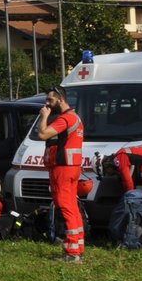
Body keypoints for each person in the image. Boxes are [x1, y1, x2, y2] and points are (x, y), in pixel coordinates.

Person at [35, 86, 86, 263]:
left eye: (50, 100)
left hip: (62, 169)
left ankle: (72, 252)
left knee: (65, 206)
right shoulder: (76, 118)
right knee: (72, 206)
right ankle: (78, 246)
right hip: (72, 167)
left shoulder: (65, 119)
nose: (47, 103)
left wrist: (44, 117)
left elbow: (42, 134)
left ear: (61, 99)